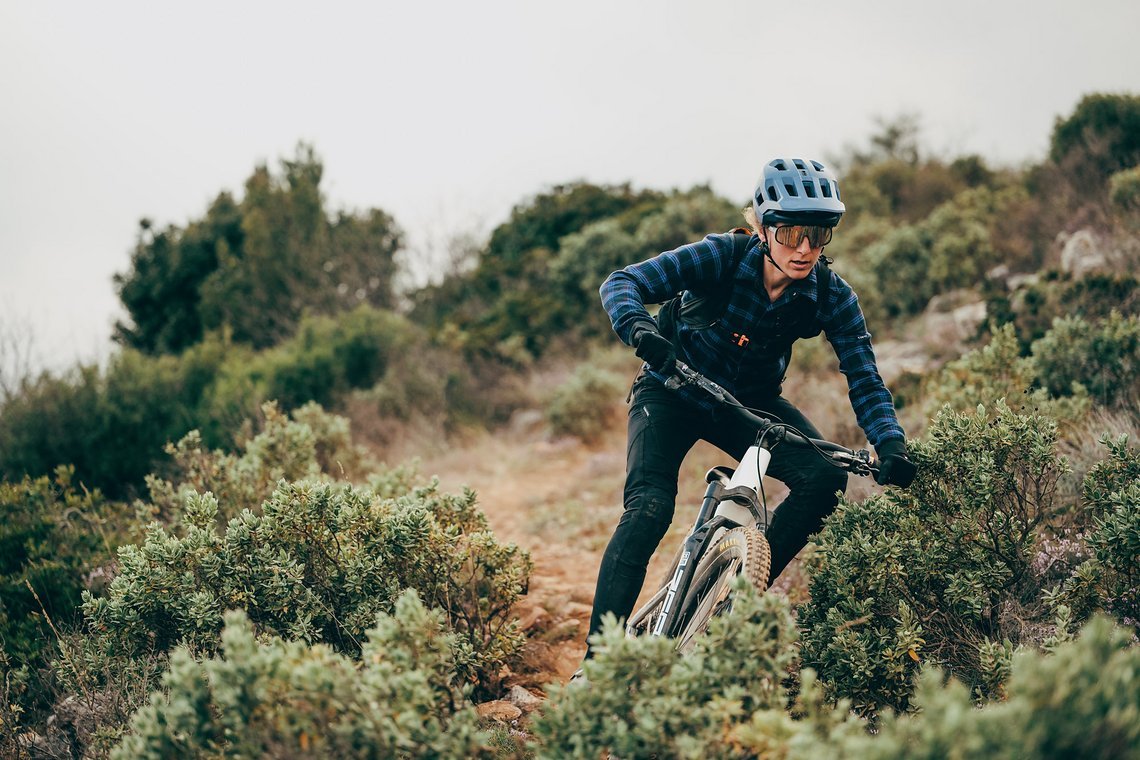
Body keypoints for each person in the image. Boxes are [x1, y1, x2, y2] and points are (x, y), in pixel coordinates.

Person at [582, 157, 916, 663]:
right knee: (649, 508)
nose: (804, 248)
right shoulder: (722, 256)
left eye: (818, 234)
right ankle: (598, 662)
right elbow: (621, 283)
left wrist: (888, 441)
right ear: (762, 226)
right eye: (790, 232)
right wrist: (642, 331)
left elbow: (864, 375)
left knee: (823, 479)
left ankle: (730, 601)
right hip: (671, 389)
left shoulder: (830, 295)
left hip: (747, 405)